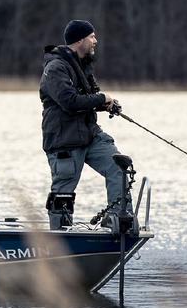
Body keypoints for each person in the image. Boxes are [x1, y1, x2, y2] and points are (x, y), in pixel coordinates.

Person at [39, 19, 124, 230]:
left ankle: (120, 220)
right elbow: (69, 102)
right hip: (64, 140)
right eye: (92, 36)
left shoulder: (81, 65)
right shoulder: (56, 67)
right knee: (63, 194)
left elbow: (87, 99)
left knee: (119, 169)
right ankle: (60, 237)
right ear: (80, 40)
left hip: (90, 135)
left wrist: (105, 104)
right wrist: (102, 98)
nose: (96, 41)